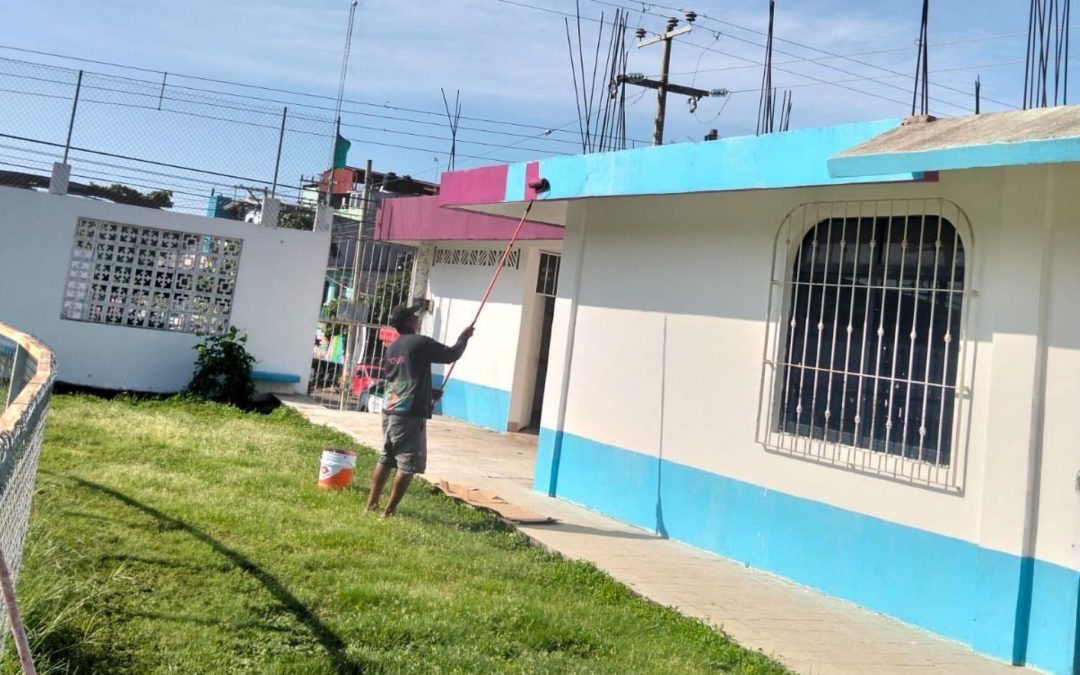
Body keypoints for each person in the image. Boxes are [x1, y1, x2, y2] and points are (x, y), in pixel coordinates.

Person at [366, 304, 474, 516]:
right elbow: (452, 354)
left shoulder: (392, 349)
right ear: (409, 322)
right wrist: (464, 337)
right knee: (408, 464)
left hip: (389, 412)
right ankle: (389, 511)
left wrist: (429, 393)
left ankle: (371, 504)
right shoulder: (420, 342)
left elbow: (400, 381)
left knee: (386, 458)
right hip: (408, 416)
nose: (418, 320)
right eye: (415, 317)